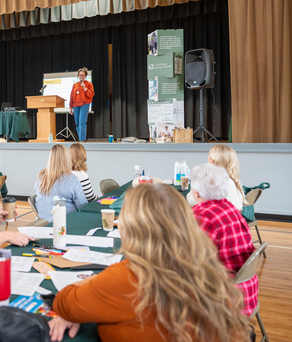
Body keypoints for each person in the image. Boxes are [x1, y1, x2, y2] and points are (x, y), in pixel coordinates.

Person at [49, 184, 249, 342]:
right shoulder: (207, 267)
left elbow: (64, 302)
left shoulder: (128, 276)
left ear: (130, 228)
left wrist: (90, 281)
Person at [190, 163, 257, 316]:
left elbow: (188, 258)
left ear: (196, 193)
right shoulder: (230, 207)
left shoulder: (202, 216)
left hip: (225, 298)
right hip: (246, 291)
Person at [35, 144, 88, 222]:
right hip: (65, 225)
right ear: (67, 159)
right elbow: (82, 206)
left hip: (42, 224)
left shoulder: (41, 177)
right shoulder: (72, 179)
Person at [187, 144, 245, 211]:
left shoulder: (214, 182)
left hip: (216, 219)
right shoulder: (232, 180)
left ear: (212, 161)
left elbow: (191, 202)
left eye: (208, 155)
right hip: (232, 218)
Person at [69, 67, 94, 142]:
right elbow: (72, 96)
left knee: (82, 122)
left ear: (85, 76)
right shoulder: (75, 85)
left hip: (84, 104)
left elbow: (91, 94)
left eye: (83, 75)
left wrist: (85, 88)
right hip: (75, 105)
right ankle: (81, 138)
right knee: (77, 123)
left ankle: (82, 140)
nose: (81, 77)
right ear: (78, 76)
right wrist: (70, 107)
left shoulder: (89, 84)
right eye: (80, 75)